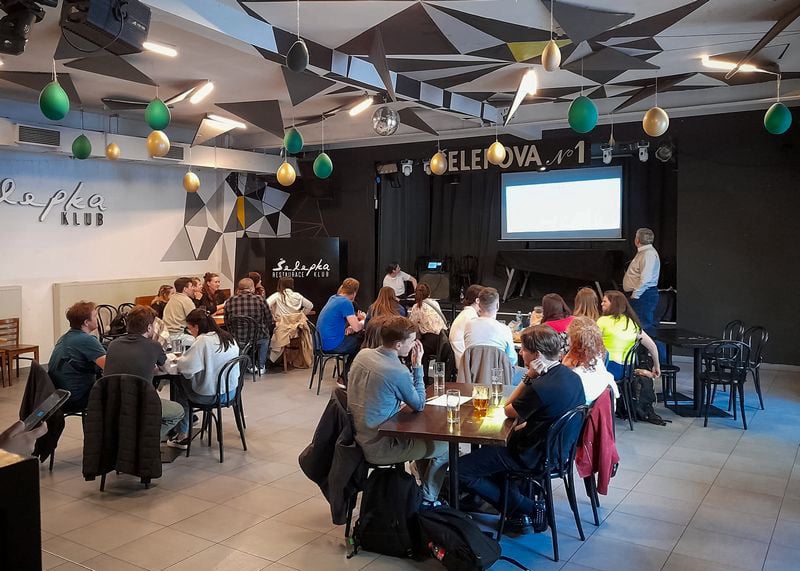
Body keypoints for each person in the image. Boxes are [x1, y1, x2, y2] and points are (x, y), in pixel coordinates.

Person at [459, 325, 585, 530]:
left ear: (537, 355)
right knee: (488, 455)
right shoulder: (571, 377)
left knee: (461, 470)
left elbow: (508, 409)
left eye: (524, 349)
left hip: (532, 456)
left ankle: (529, 508)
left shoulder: (541, 386)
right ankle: (516, 509)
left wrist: (528, 377)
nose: (520, 353)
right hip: (559, 452)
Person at [347, 316, 448, 507]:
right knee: (446, 448)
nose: (415, 345)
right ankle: (428, 498)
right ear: (399, 345)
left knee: (423, 438)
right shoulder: (397, 371)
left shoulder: (363, 355)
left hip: (356, 437)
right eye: (412, 341)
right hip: (382, 445)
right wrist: (417, 366)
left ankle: (421, 483)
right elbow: (419, 404)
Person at [104, 306, 185, 439]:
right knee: (177, 411)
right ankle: (146, 440)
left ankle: (134, 438)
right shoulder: (154, 346)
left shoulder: (113, 344)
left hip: (112, 402)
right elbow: (167, 369)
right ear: (149, 327)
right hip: (140, 402)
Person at [168, 309, 240, 448]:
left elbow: (186, 367)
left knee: (179, 385)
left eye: (190, 329)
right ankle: (188, 422)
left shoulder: (202, 341)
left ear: (196, 326)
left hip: (210, 396)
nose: (190, 333)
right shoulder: (227, 336)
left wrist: (178, 360)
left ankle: (182, 435)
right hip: (231, 392)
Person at [48, 301, 106, 412]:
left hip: (60, 396)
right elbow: (111, 367)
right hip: (76, 398)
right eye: (95, 316)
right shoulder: (87, 340)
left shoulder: (64, 338)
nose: (97, 319)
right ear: (86, 322)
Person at [597, 291, 661, 381]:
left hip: (609, 368)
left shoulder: (602, 321)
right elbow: (652, 346)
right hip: (628, 370)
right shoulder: (632, 323)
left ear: (613, 304)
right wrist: (656, 366)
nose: (601, 304)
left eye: (605, 301)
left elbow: (591, 344)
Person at [316, 278, 366, 382]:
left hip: (321, 344)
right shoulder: (346, 303)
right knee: (362, 344)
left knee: (355, 340)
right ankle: (345, 378)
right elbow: (357, 328)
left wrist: (350, 328)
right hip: (333, 345)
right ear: (354, 293)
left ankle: (345, 377)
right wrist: (363, 321)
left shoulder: (333, 298)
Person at [562, 317, 618, 405]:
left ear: (573, 342)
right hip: (598, 403)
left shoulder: (576, 376)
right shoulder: (598, 356)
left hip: (581, 407)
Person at [224, 278, 272, 375]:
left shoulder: (229, 301)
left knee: (240, 343)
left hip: (238, 337)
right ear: (252, 288)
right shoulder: (260, 300)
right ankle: (261, 366)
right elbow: (269, 319)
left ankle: (249, 365)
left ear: (239, 289)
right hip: (258, 336)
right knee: (266, 339)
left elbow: (226, 322)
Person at [463, 287, 516, 365]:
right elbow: (512, 359)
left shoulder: (468, 326)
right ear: (497, 305)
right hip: (498, 372)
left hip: (472, 372)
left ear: (479, 304)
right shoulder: (505, 330)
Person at [623, 228, 661, 333]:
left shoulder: (648, 254)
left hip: (643, 295)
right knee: (639, 326)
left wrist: (636, 295)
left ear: (637, 240)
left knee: (644, 327)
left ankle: (652, 344)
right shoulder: (644, 252)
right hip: (642, 294)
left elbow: (646, 279)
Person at [449, 284, 483, 368]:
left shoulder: (466, 313)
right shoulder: (471, 317)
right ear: (477, 300)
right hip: (464, 362)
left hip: (460, 357)